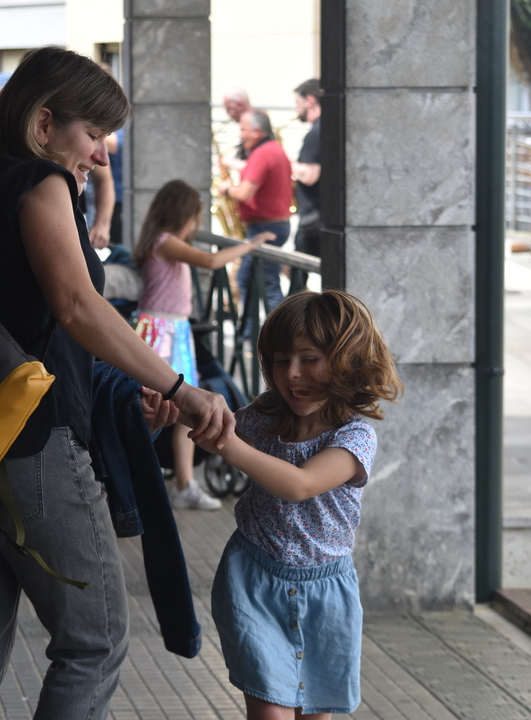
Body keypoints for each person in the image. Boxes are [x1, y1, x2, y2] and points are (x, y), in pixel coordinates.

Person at [0, 46, 234, 719]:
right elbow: (78, 308)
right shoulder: (43, 181)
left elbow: (22, 325)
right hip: (29, 449)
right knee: (93, 642)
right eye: (94, 134)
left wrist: (124, 386)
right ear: (43, 123)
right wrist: (181, 388)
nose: (103, 156)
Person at [200, 290, 402, 719]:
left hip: (326, 594)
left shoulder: (355, 437)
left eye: (309, 359)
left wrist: (225, 444)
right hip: (253, 580)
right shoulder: (266, 414)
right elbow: (218, 425)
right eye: (280, 360)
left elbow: (300, 484)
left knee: (315, 713)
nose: (292, 374)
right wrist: (171, 409)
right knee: (269, 712)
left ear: (347, 361)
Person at [133, 179, 269, 511]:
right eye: (196, 216)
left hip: (172, 331)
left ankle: (182, 482)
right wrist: (250, 245)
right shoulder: (165, 242)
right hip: (161, 332)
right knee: (155, 406)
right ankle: (165, 482)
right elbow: (210, 262)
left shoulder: (159, 242)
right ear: (184, 214)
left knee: (180, 407)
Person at [218, 110, 293, 328]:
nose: (240, 134)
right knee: (253, 281)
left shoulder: (262, 154)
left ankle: (274, 333)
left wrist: (226, 189)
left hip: (264, 227)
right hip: (274, 225)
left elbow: (244, 193)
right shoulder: (275, 150)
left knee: (262, 283)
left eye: (243, 129)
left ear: (257, 131)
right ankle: (252, 332)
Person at [289, 79, 322, 295]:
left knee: (297, 283)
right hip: (321, 218)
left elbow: (309, 176)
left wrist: (288, 165)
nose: (295, 108)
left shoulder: (315, 133)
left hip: (312, 220)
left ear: (309, 100)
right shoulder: (327, 127)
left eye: (297, 102)